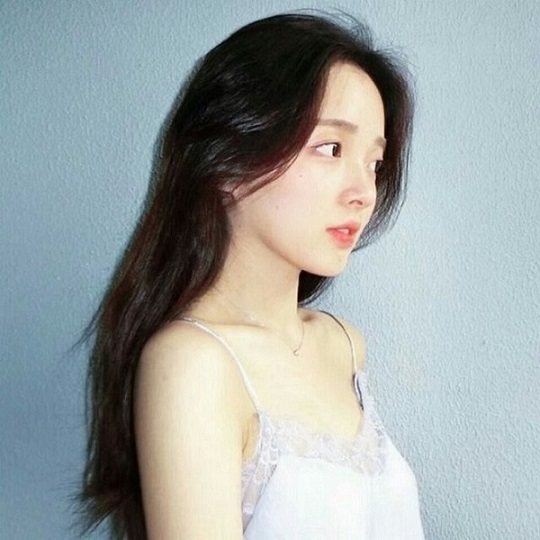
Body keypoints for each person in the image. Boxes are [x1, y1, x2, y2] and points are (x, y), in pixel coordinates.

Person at [79, 10, 424, 539]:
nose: (363, 192)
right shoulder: (193, 363)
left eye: (374, 163)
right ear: (230, 161)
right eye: (331, 148)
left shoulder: (343, 345)